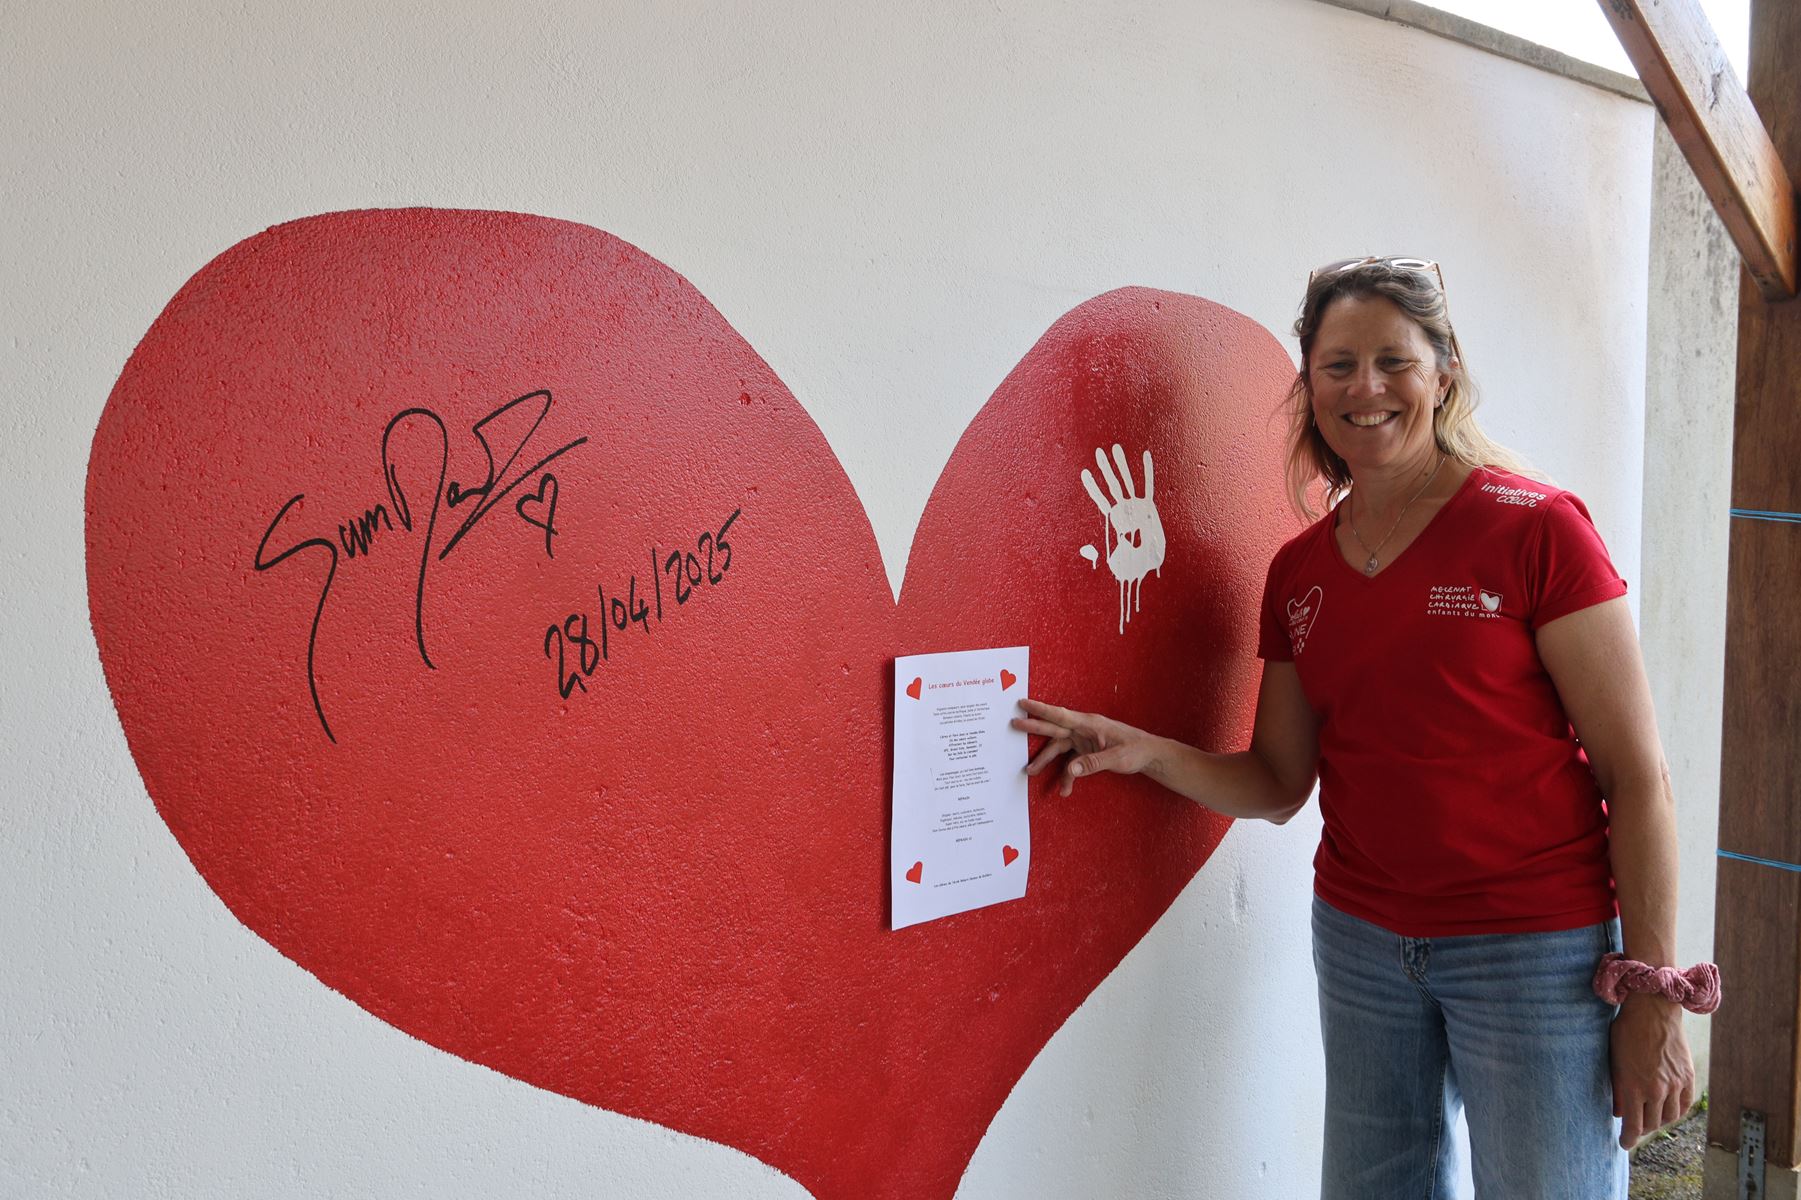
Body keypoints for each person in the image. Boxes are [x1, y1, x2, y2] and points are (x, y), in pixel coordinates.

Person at [1014, 257, 1706, 1198]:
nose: (1364, 388)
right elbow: (1276, 781)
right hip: (1363, 946)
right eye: (1337, 365)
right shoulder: (1300, 572)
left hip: (1534, 951)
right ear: (1309, 386)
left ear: (1444, 373)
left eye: (1394, 361)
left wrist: (1654, 991)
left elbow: (1638, 779)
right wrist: (1142, 752)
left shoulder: (1535, 529)